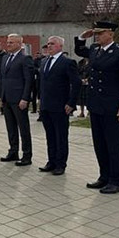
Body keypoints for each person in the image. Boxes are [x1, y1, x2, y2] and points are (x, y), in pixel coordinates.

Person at [74, 21, 119, 194]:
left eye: (100, 33)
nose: (97, 36)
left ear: (110, 33)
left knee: (114, 145)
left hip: (113, 107)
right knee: (99, 144)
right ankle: (104, 177)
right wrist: (81, 38)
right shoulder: (95, 50)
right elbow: (80, 50)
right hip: (96, 105)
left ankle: (116, 181)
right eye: (96, 34)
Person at [38, 36, 81, 175]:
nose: (49, 46)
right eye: (48, 44)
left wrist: (71, 103)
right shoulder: (44, 61)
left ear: (60, 46)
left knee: (60, 136)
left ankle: (61, 164)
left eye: (52, 44)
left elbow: (76, 83)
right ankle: (51, 161)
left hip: (60, 106)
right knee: (50, 135)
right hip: (46, 105)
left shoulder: (67, 62)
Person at [0, 34, 34, 166]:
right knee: (10, 127)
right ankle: (13, 151)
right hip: (7, 98)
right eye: (7, 42)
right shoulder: (5, 58)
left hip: (19, 99)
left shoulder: (25, 59)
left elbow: (28, 80)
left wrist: (25, 98)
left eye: (11, 43)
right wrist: (1, 96)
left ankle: (27, 155)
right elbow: (3, 78)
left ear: (19, 44)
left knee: (23, 128)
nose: (8, 45)